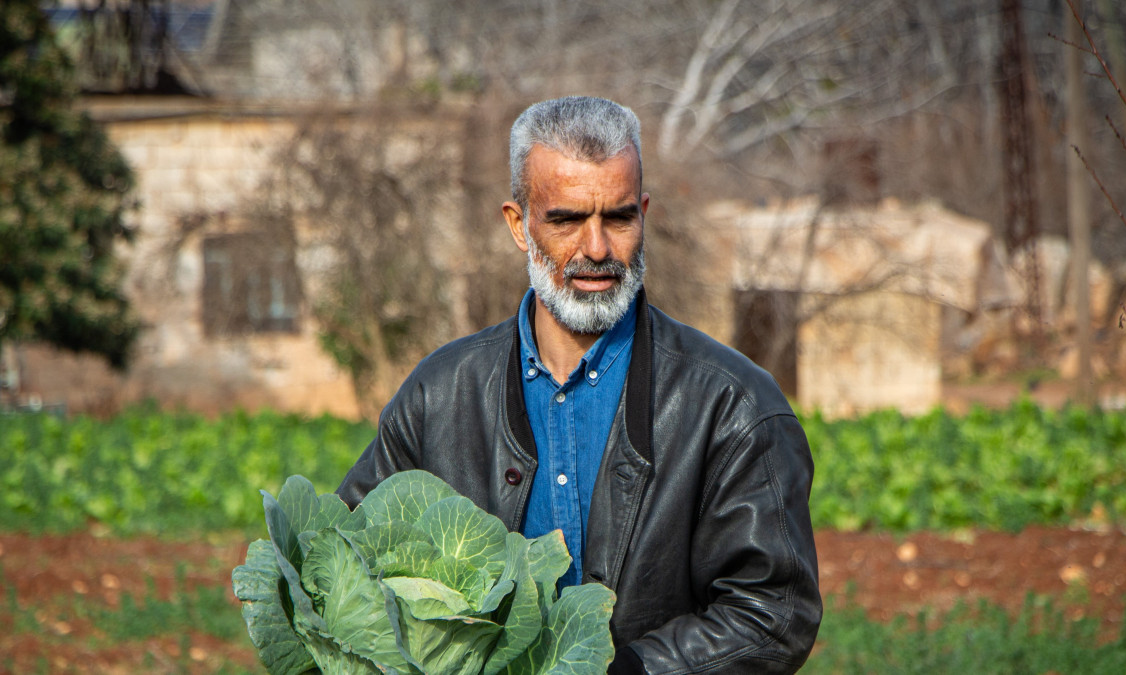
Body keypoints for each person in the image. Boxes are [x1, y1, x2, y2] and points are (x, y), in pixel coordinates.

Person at [337, 96, 821, 674]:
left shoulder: (733, 406)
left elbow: (774, 613)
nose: (597, 249)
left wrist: (629, 670)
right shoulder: (438, 396)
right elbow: (351, 559)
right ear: (519, 225)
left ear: (644, 213)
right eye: (565, 219)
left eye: (618, 217)